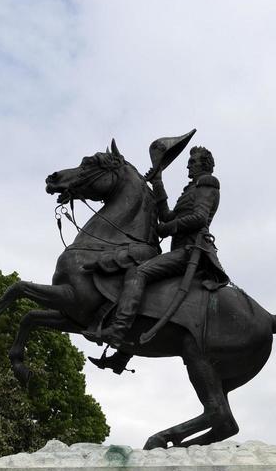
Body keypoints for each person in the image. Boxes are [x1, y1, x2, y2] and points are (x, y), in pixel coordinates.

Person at [94, 145, 228, 363]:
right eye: (189, 161)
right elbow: (167, 216)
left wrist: (168, 229)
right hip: (180, 249)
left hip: (191, 251)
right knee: (150, 289)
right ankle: (122, 356)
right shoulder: (190, 189)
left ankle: (117, 331)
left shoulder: (208, 183)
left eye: (192, 162)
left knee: (138, 274)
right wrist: (158, 181)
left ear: (204, 164)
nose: (188, 165)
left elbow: (199, 218)